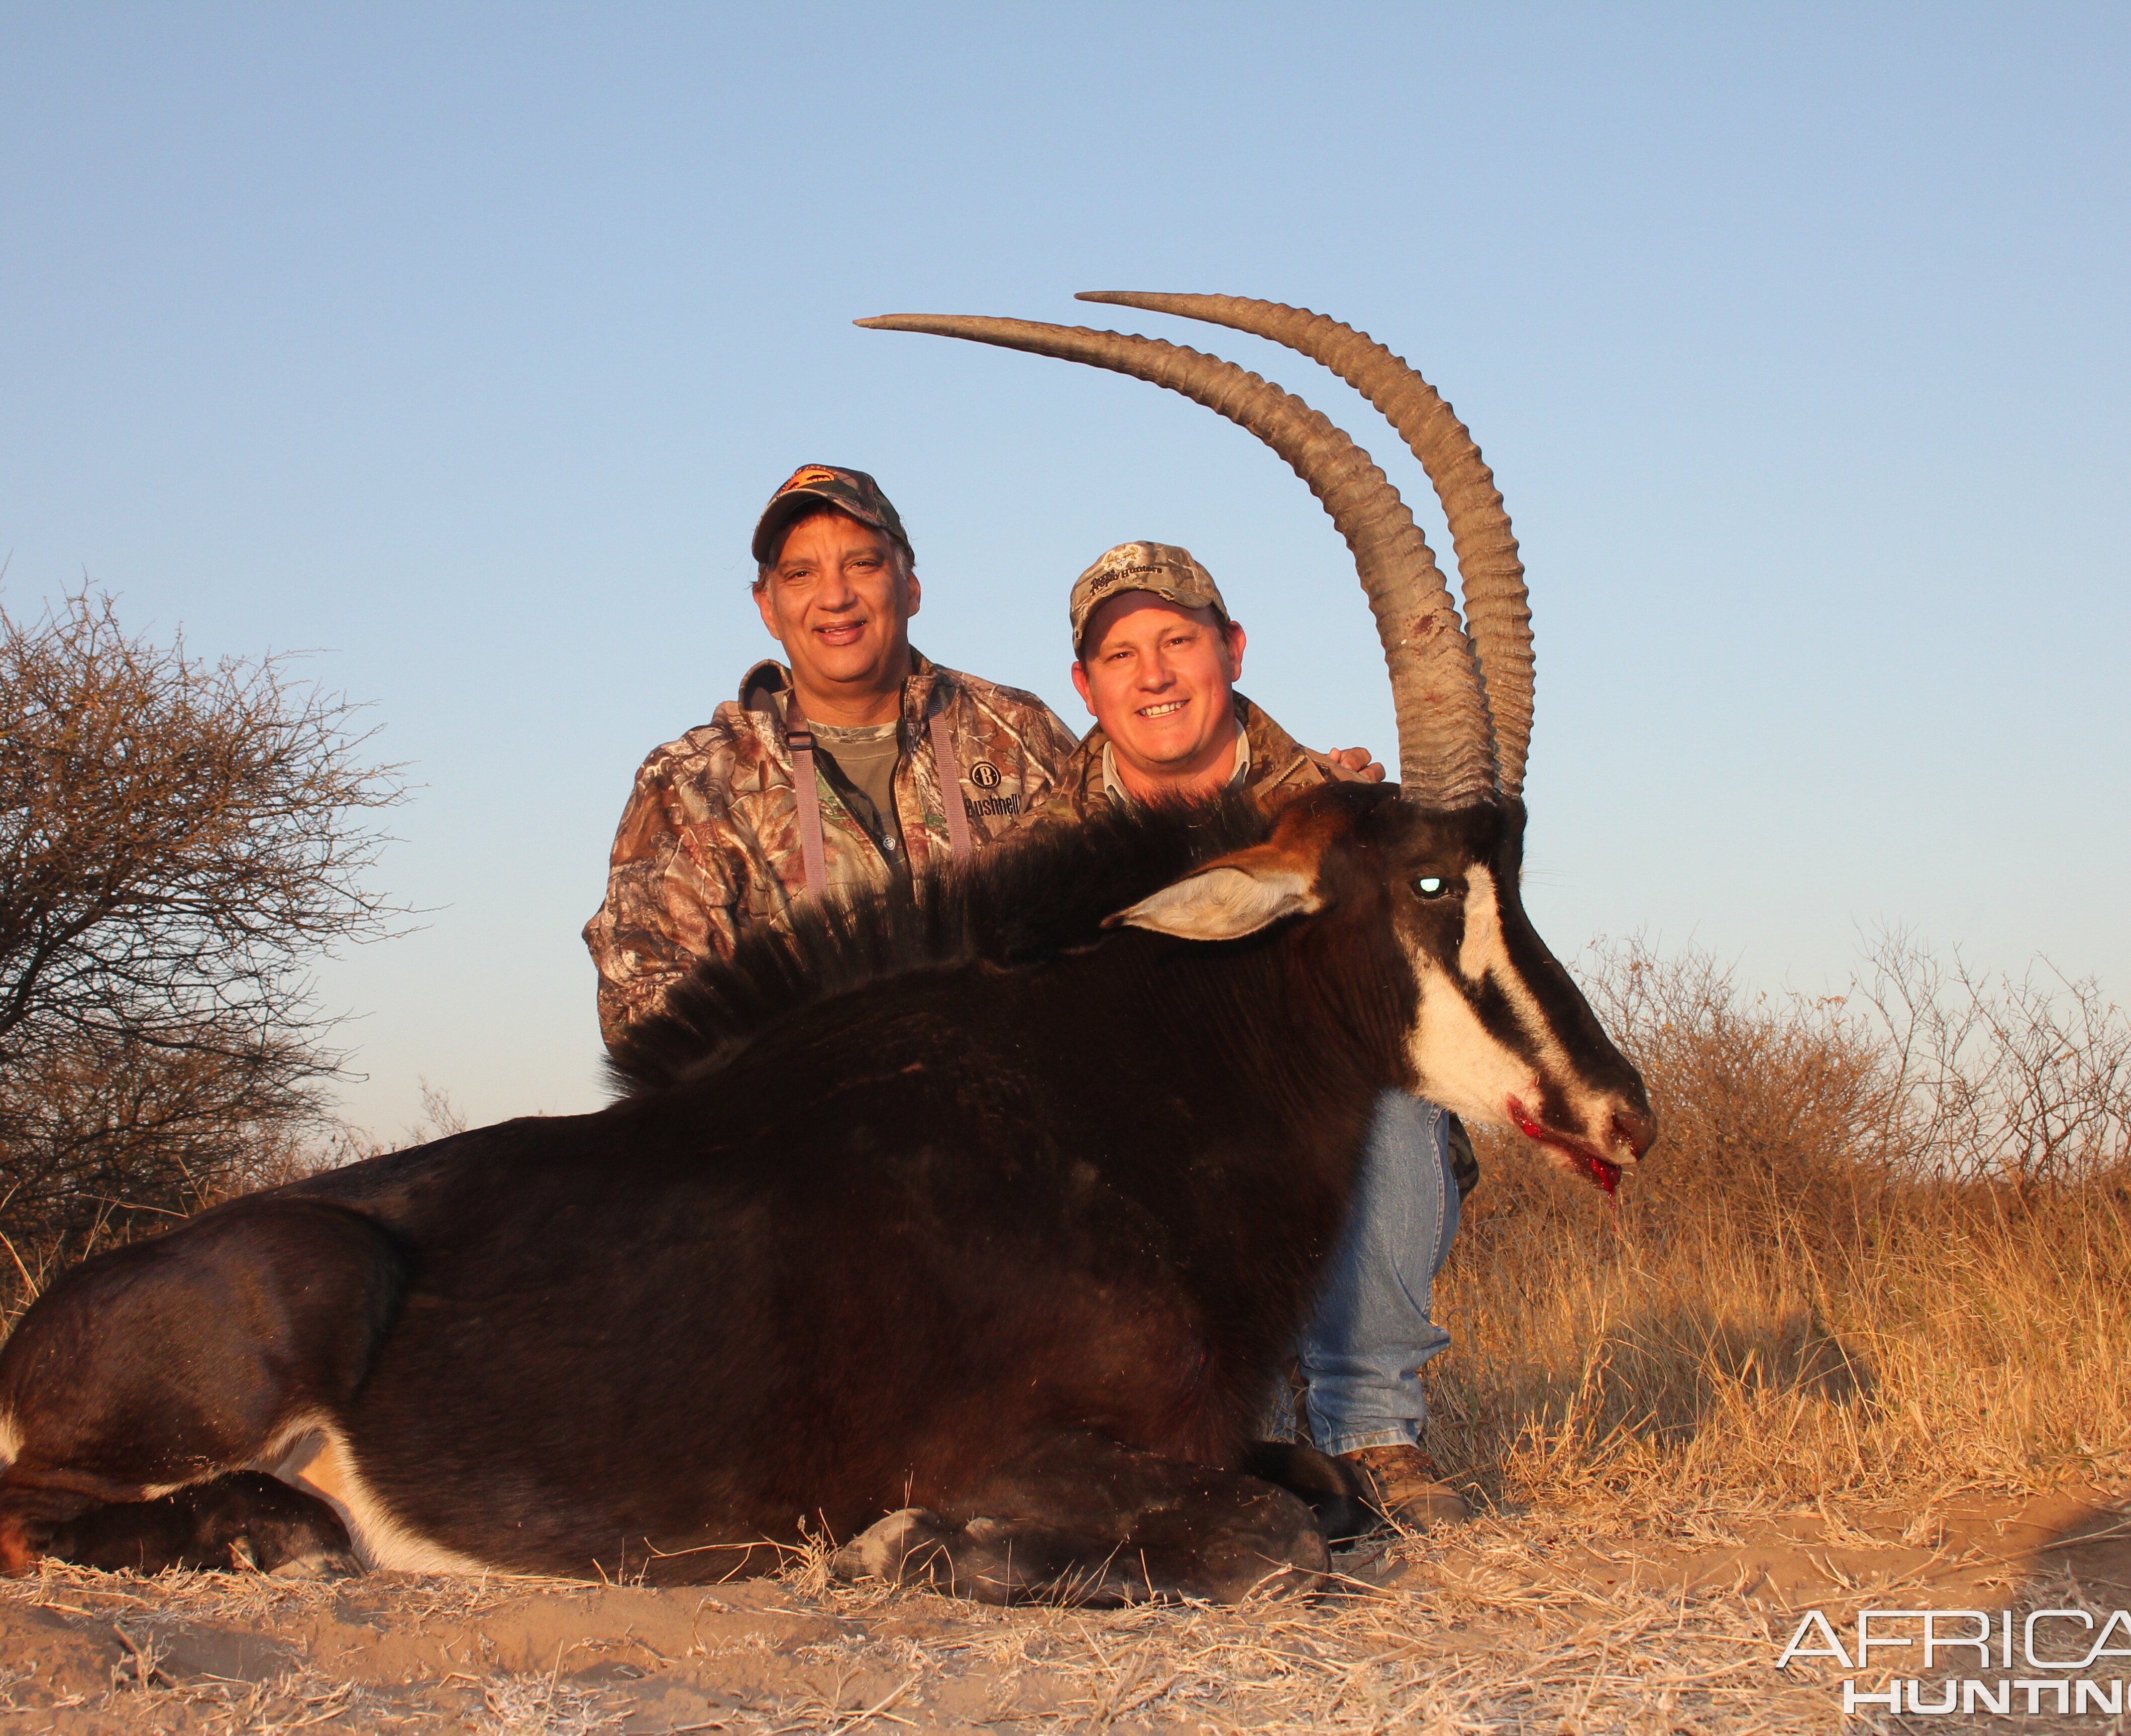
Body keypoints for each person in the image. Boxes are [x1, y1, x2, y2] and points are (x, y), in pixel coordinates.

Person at [1043, 540, 1472, 1530]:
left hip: (1303, 1159)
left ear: (1232, 649)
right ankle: (1219, 1426)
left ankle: (1374, 1428)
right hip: (1144, 1179)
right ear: (1085, 684)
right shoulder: (1042, 846)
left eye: (1178, 640)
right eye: (1120, 655)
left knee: (1393, 1068)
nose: (1153, 675)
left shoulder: (1346, 815)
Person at [583, 465, 1079, 1047]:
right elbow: (648, 1016)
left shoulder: (1021, 732)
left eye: (862, 564)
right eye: (800, 574)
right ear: (767, 607)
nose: (836, 596)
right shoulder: (692, 785)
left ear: (910, 586)